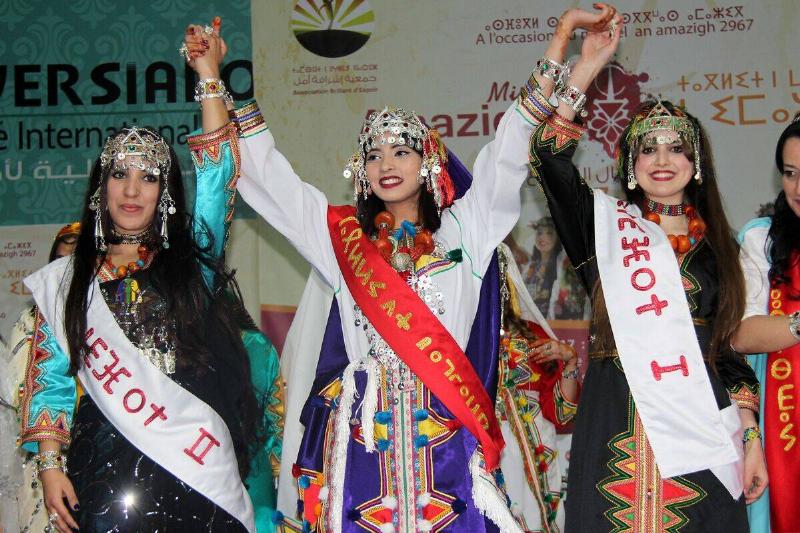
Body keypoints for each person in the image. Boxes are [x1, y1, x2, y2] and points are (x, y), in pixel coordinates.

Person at [183, 6, 619, 531]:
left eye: (401, 151)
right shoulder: (342, 240)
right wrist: (213, 76)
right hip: (365, 441)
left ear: (429, 161)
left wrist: (561, 43)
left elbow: (511, 144)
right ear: (361, 173)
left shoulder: (466, 231)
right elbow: (274, 182)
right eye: (374, 155)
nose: (386, 164)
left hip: (450, 443)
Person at [18, 21, 277, 530]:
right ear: (101, 187)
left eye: (149, 177)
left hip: (193, 468)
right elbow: (48, 381)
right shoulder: (67, 281)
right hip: (102, 467)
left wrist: (208, 74)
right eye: (120, 174)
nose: (132, 190)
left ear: (165, 192)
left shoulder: (191, 261)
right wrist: (50, 466)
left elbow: (218, 170)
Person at [527, 8, 768, 531]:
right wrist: (587, 68)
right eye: (647, 148)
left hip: (699, 424)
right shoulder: (604, 231)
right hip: (615, 416)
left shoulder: (721, 250)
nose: (662, 158)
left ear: (696, 161)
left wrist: (751, 440)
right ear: (629, 166)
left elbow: (727, 353)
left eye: (676, 147)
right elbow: (548, 157)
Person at [733, 113, 800, 533]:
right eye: (791, 174)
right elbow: (740, 334)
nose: (799, 188)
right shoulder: (764, 239)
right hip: (786, 431)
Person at [1, 223, 80, 533]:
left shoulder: (113, 313)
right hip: (43, 455)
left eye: (78, 259)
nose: (68, 268)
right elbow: (14, 389)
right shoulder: (33, 319)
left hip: (106, 449)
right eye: (61, 259)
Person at [496, 243, 579, 532]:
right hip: (483, 447)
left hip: (533, 449)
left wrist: (570, 363)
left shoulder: (533, 337)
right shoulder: (457, 336)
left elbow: (561, 414)